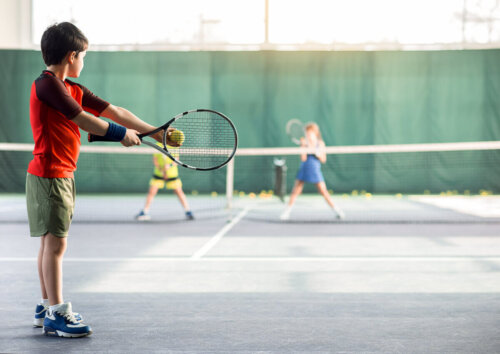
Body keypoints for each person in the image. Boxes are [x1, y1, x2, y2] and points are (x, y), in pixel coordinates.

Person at [27, 22, 175, 337]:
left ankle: (44, 306)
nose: (84, 61)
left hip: (56, 175)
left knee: (48, 242)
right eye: (83, 56)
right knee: (56, 245)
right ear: (71, 56)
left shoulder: (72, 89)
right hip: (51, 175)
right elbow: (83, 119)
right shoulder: (48, 85)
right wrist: (121, 135)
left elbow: (115, 111)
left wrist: (156, 132)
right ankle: (56, 312)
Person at [280, 123, 345, 220]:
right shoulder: (304, 143)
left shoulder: (321, 144)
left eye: (310, 133)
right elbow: (303, 158)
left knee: (324, 191)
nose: (308, 135)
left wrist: (317, 153)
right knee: (295, 192)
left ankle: (337, 211)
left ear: (315, 133)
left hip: (315, 170)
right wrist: (304, 147)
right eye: (307, 133)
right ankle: (287, 212)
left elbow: (323, 160)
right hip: (304, 169)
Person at [136, 143, 194, 221]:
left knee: (179, 192)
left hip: (172, 174)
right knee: (151, 192)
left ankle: (188, 211)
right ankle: (145, 211)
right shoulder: (157, 145)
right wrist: (162, 170)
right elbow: (155, 160)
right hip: (159, 173)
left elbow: (176, 159)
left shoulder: (174, 145)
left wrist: (169, 166)